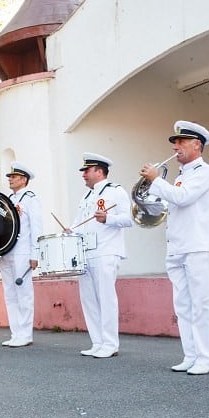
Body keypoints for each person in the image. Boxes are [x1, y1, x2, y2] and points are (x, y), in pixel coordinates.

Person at [139, 121, 209, 374]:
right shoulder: (181, 176)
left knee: (201, 303)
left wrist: (156, 180)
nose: (176, 147)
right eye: (175, 143)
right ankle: (191, 354)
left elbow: (184, 198)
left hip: (198, 244)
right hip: (178, 245)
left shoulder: (205, 172)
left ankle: (207, 358)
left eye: (181, 142)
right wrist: (148, 202)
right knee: (184, 305)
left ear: (197, 145)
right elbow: (171, 205)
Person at [68, 153, 132, 358]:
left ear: (99, 171)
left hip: (106, 251)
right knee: (89, 299)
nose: (83, 174)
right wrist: (70, 231)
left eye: (87, 170)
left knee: (106, 298)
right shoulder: (87, 196)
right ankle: (98, 341)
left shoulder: (116, 191)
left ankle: (111, 343)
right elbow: (79, 224)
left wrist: (109, 218)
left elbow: (129, 219)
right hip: (86, 252)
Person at [0, 162, 42, 348]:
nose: (10, 179)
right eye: (9, 176)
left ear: (23, 179)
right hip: (7, 252)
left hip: (23, 251)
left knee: (23, 294)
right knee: (10, 294)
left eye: (14, 176)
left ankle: (25, 333)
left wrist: (35, 254)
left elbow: (36, 227)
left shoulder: (30, 199)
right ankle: (15, 333)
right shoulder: (7, 199)